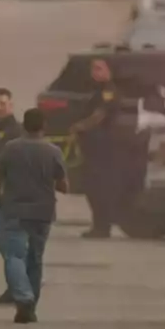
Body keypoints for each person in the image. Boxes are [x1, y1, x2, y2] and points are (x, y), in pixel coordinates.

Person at [0, 108, 68, 324]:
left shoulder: (10, 148)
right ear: (44, 126)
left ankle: (23, 298)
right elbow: (63, 185)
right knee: (36, 258)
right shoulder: (53, 151)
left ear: (24, 125)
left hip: (15, 211)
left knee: (15, 256)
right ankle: (30, 306)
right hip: (42, 213)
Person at [69, 58, 123, 239]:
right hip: (92, 146)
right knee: (92, 187)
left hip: (103, 147)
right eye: (93, 69)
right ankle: (98, 225)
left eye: (100, 68)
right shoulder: (97, 90)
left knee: (99, 187)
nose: (95, 72)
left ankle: (102, 226)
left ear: (109, 71)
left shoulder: (108, 91)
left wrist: (80, 126)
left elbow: (99, 115)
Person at [0, 88, 24, 306]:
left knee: (6, 237)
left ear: (11, 105)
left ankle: (21, 281)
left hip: (9, 192)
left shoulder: (16, 131)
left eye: (2, 103)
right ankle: (16, 283)